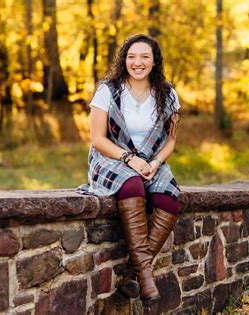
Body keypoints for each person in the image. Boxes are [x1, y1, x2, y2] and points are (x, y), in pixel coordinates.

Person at [78, 34, 181, 304]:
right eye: (131, 56)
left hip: (151, 160)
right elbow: (97, 139)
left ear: (154, 60)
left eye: (145, 56)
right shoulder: (108, 90)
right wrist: (128, 159)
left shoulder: (168, 94)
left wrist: (155, 163)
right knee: (132, 185)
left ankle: (130, 276)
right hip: (111, 157)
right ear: (124, 59)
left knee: (169, 200)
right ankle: (144, 277)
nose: (138, 62)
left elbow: (171, 141)